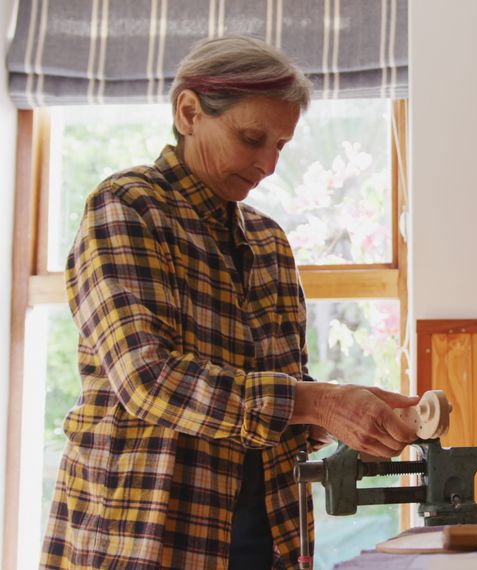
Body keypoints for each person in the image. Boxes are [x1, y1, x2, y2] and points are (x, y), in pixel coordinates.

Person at [41, 35, 418, 569]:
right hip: (144, 536)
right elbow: (147, 381)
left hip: (270, 536)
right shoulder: (127, 207)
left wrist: (349, 411)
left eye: (281, 145)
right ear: (189, 111)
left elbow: (281, 395)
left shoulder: (268, 241)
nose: (268, 164)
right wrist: (318, 403)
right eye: (250, 137)